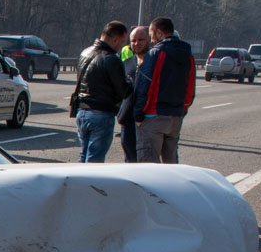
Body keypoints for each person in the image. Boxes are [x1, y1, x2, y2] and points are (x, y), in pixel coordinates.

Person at [133, 16, 195, 163]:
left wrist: (138, 114)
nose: (151, 38)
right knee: (171, 164)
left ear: (159, 33)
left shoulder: (156, 52)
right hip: (176, 116)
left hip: (154, 115)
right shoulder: (188, 55)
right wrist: (183, 109)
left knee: (148, 165)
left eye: (151, 33)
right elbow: (190, 86)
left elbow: (145, 84)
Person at [73, 20, 130, 163]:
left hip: (81, 111)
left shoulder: (85, 52)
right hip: (101, 113)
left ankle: (78, 184)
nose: (120, 46)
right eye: (121, 42)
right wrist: (130, 82)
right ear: (115, 39)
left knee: (83, 155)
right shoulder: (111, 59)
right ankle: (89, 185)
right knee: (95, 160)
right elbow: (123, 91)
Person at [117, 26, 151, 162]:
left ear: (149, 39)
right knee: (129, 160)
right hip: (127, 121)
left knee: (147, 162)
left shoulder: (154, 63)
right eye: (133, 40)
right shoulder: (126, 63)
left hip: (148, 121)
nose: (137, 43)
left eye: (141, 40)